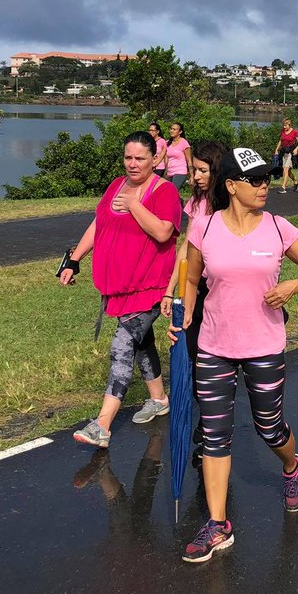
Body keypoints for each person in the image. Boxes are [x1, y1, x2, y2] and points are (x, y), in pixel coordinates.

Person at [173, 147, 298, 562]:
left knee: (269, 427)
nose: (264, 186)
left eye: (266, 179)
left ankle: (292, 466)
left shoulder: (279, 228)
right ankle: (218, 523)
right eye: (256, 180)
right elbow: (190, 279)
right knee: (214, 434)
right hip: (213, 346)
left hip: (263, 345)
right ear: (231, 186)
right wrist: (184, 312)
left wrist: (292, 287)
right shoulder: (203, 229)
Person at [58, 131, 183, 448]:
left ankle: (102, 424)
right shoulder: (116, 184)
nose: (133, 164)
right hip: (120, 288)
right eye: (128, 157)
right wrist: (73, 260)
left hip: (151, 287)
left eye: (140, 158)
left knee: (122, 346)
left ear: (155, 159)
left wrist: (133, 204)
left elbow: (164, 231)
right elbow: (99, 223)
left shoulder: (164, 191)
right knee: (141, 343)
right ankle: (158, 398)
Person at [169, 139, 230, 467]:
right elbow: (186, 251)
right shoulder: (196, 203)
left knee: (217, 364)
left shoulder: (229, 206)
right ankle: (209, 428)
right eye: (193, 170)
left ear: (217, 171)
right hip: (197, 289)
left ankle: (213, 429)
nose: (195, 177)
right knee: (196, 359)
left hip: (223, 290)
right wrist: (171, 291)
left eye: (203, 171)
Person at [274, 119, 298, 194]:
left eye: (285, 125)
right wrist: (276, 150)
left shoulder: (294, 132)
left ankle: (283, 187)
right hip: (283, 152)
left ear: (289, 125)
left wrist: (296, 149)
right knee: (288, 171)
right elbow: (281, 141)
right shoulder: (282, 131)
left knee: (285, 169)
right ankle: (296, 182)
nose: (284, 127)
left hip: (290, 153)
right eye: (283, 125)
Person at [163, 123, 192, 190]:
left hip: (180, 171)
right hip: (170, 172)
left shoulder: (184, 143)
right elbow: (166, 160)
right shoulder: (167, 143)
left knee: (172, 191)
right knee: (167, 192)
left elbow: (189, 160)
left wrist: (192, 176)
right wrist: (166, 172)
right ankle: (181, 201)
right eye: (171, 129)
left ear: (180, 132)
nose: (172, 131)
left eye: (174, 129)